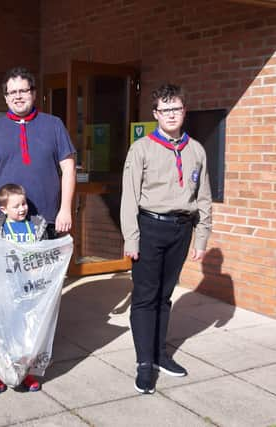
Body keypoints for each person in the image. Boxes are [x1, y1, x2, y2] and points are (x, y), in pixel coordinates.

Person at [120, 83, 212, 394]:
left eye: (176, 109)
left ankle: (159, 354)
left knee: (164, 296)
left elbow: (204, 198)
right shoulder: (142, 148)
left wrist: (201, 238)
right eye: (165, 109)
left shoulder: (196, 150)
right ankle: (144, 363)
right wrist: (131, 239)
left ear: (184, 111)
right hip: (149, 228)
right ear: (156, 114)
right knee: (146, 297)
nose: (171, 115)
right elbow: (130, 199)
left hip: (181, 230)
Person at [0, 66, 76, 238]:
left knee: (42, 266)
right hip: (3, 221)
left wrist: (65, 209)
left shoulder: (54, 125)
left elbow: (69, 169)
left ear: (34, 94)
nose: (18, 96)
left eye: (23, 90)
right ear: (6, 98)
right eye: (12, 92)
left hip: (45, 218)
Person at [0, 183, 47, 393]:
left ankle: (24, 372)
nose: (22, 208)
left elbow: (43, 255)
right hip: (5, 291)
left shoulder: (36, 227)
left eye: (23, 204)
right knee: (3, 334)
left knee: (26, 334)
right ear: (3, 210)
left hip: (29, 290)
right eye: (16, 206)